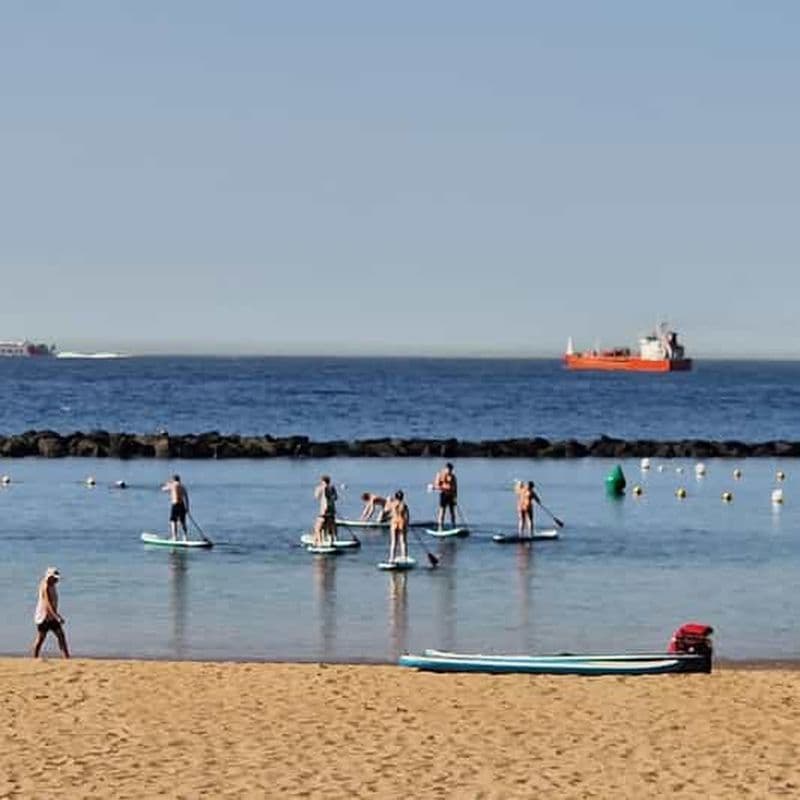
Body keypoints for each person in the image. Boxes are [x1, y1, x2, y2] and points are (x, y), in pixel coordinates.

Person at [32, 567, 70, 658]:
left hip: (52, 616)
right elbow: (47, 605)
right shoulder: (45, 586)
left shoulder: (52, 584)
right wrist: (57, 617)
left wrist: (55, 615)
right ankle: (34, 658)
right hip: (44, 617)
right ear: (49, 577)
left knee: (61, 635)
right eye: (55, 578)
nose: (57, 580)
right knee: (41, 638)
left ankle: (67, 657)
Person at [162, 474, 190, 541]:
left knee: (173, 521)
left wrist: (167, 483)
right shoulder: (183, 486)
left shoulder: (173, 485)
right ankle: (185, 537)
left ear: (173, 480)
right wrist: (187, 507)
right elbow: (186, 498)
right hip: (182, 505)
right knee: (182, 522)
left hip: (175, 505)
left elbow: (163, 489)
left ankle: (174, 537)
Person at [313, 475, 338, 546]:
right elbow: (336, 498)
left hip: (324, 511)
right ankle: (331, 541)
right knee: (329, 527)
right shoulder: (332, 488)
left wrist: (318, 489)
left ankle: (320, 543)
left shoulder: (321, 487)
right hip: (332, 510)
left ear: (322, 481)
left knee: (317, 528)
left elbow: (316, 497)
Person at [386, 490, 410, 563]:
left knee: (393, 542)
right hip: (402, 523)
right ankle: (404, 557)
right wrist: (407, 524)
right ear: (402, 497)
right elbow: (407, 516)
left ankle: (391, 558)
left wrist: (388, 501)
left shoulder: (392, 504)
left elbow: (386, 510)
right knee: (403, 541)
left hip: (394, 523)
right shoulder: (404, 505)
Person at [433, 462, 458, 530]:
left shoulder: (453, 477)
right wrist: (443, 487)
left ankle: (454, 526)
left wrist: (455, 497)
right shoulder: (440, 475)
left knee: (452, 512)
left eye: (451, 470)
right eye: (449, 469)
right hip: (444, 494)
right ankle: (440, 527)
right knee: (442, 511)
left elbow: (455, 487)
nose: (450, 471)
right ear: (446, 469)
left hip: (451, 495)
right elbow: (436, 485)